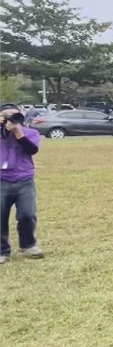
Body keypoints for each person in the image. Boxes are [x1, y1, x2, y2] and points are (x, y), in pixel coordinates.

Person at [0, 104, 44, 264]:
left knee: (27, 214)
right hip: (1, 180)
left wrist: (18, 132)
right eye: (8, 116)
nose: (12, 119)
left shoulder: (31, 133)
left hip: (24, 179)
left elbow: (32, 150)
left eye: (16, 116)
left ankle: (28, 245)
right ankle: (2, 250)